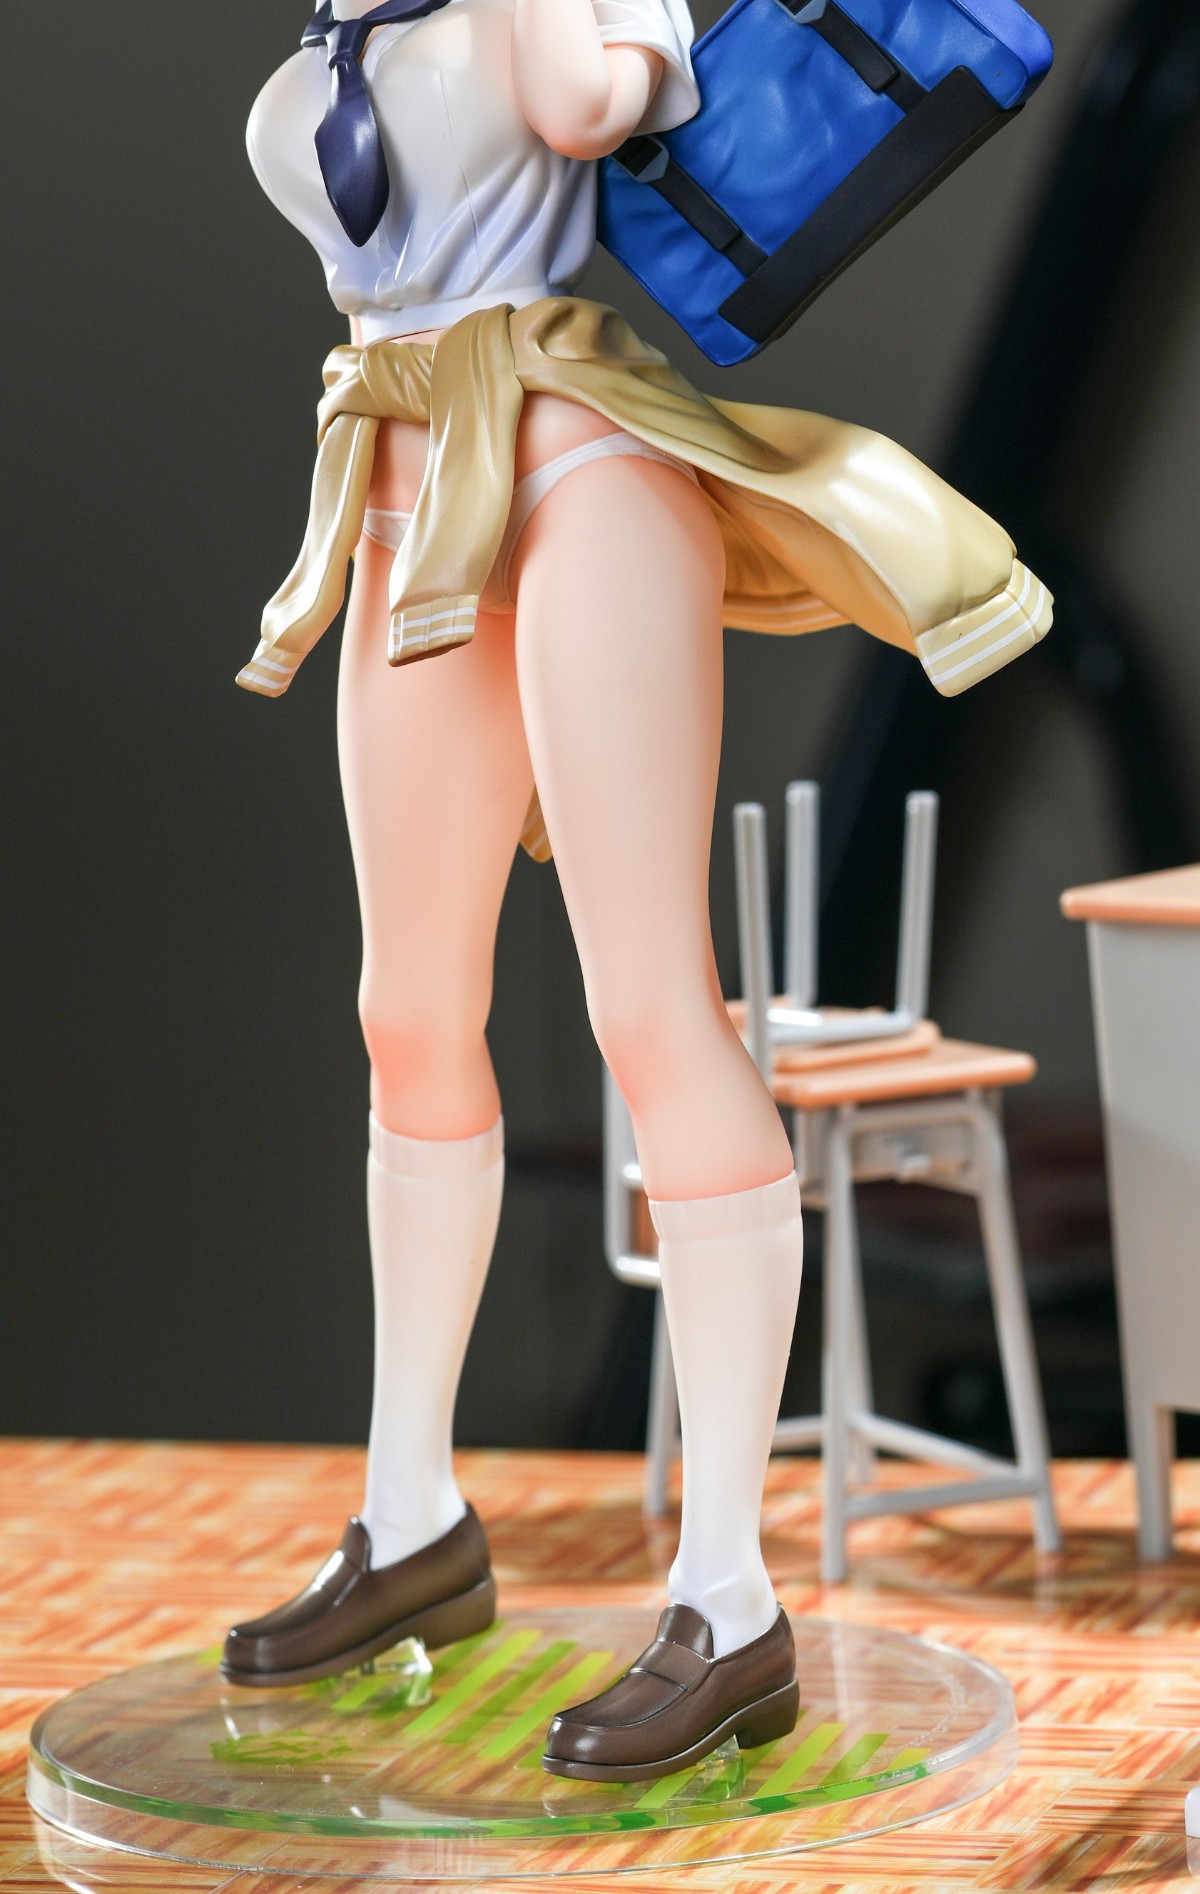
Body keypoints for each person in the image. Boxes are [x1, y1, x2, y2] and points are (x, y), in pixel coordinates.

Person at [219, 0, 1051, 1782]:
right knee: (406, 1007)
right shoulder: (335, 25)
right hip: (402, 486)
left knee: (649, 1003)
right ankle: (410, 1517)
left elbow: (592, 109)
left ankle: (729, 1599)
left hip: (574, 468)